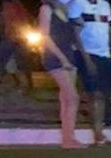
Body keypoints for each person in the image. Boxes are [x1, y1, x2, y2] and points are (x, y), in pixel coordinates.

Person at [67, 0, 111, 145]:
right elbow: (75, 34)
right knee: (94, 94)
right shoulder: (77, 4)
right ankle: (97, 134)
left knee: (102, 95)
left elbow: (110, 30)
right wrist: (86, 59)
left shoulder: (104, 5)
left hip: (104, 55)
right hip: (86, 54)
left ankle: (100, 132)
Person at [38, 0, 83, 148]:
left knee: (66, 99)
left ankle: (68, 138)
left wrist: (79, 25)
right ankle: (68, 138)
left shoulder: (66, 10)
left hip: (68, 55)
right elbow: (45, 36)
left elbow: (70, 36)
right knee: (72, 97)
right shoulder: (46, 9)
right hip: (55, 57)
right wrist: (62, 58)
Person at [0, 0, 32, 93]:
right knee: (19, 61)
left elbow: (22, 19)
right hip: (15, 36)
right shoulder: (12, 5)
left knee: (4, 60)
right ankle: (28, 85)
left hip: (15, 36)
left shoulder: (10, 5)